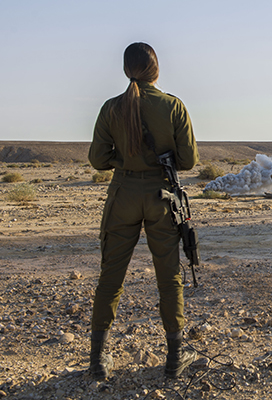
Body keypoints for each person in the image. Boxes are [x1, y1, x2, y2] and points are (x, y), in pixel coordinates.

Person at [88, 42, 199, 380]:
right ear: (155, 70)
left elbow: (97, 159)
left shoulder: (111, 108)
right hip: (161, 197)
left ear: (126, 70)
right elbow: (189, 160)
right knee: (169, 277)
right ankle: (174, 358)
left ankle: (97, 361)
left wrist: (122, 161)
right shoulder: (173, 106)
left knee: (111, 277)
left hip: (122, 194)